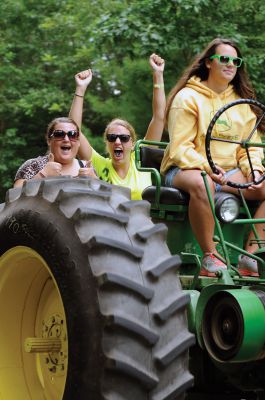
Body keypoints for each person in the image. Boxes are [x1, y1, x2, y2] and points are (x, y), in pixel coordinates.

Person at [160, 37, 265, 277]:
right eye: (224, 59)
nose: (230, 64)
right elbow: (179, 149)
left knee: (264, 185)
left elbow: (248, 148)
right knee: (203, 183)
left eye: (235, 61)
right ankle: (210, 256)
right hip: (184, 169)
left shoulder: (241, 103)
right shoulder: (187, 98)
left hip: (228, 171)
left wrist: (255, 171)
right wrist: (208, 167)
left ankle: (250, 256)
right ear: (209, 63)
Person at [69, 53, 166, 200]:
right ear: (107, 142)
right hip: (109, 221)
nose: (118, 142)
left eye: (124, 138)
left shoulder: (142, 161)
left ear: (133, 143)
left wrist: (157, 75)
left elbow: (159, 117)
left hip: (142, 220)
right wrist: (80, 89)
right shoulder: (98, 164)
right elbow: (72, 131)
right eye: (112, 137)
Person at [14, 117, 96, 187]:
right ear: (49, 140)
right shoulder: (33, 165)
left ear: (78, 142)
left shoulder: (87, 167)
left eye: (72, 135)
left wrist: (95, 181)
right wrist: (43, 174)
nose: (66, 139)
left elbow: (105, 200)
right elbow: (14, 197)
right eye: (59, 134)